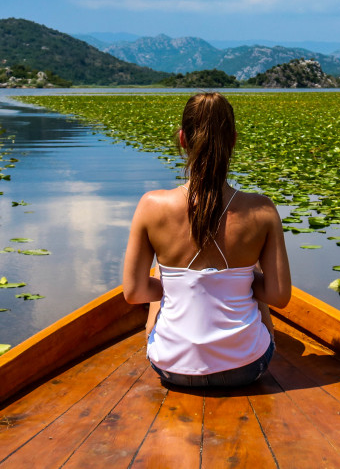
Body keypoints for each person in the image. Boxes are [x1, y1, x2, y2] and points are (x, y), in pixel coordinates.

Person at [122, 92, 291, 387]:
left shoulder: (151, 205)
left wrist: (178, 283)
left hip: (171, 367)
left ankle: (159, 321)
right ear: (233, 140)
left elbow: (134, 293)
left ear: (183, 138)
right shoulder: (262, 210)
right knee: (252, 271)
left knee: (161, 268)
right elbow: (279, 296)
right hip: (247, 368)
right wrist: (243, 278)